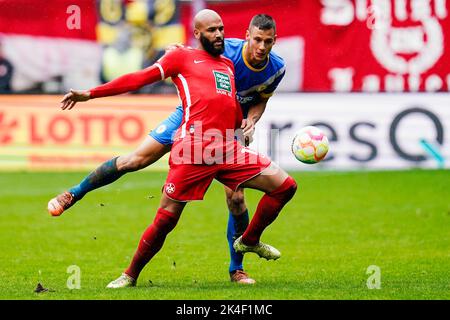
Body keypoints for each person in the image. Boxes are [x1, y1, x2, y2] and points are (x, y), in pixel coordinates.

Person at [48, 13, 286, 285]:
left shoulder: (276, 68)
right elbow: (192, 55)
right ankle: (73, 193)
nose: (261, 47)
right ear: (247, 36)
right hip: (187, 115)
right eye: (257, 39)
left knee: (236, 199)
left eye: (268, 42)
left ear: (274, 41)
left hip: (223, 130)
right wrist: (91, 93)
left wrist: (249, 122)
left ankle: (237, 269)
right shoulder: (226, 50)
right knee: (133, 161)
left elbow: (260, 100)